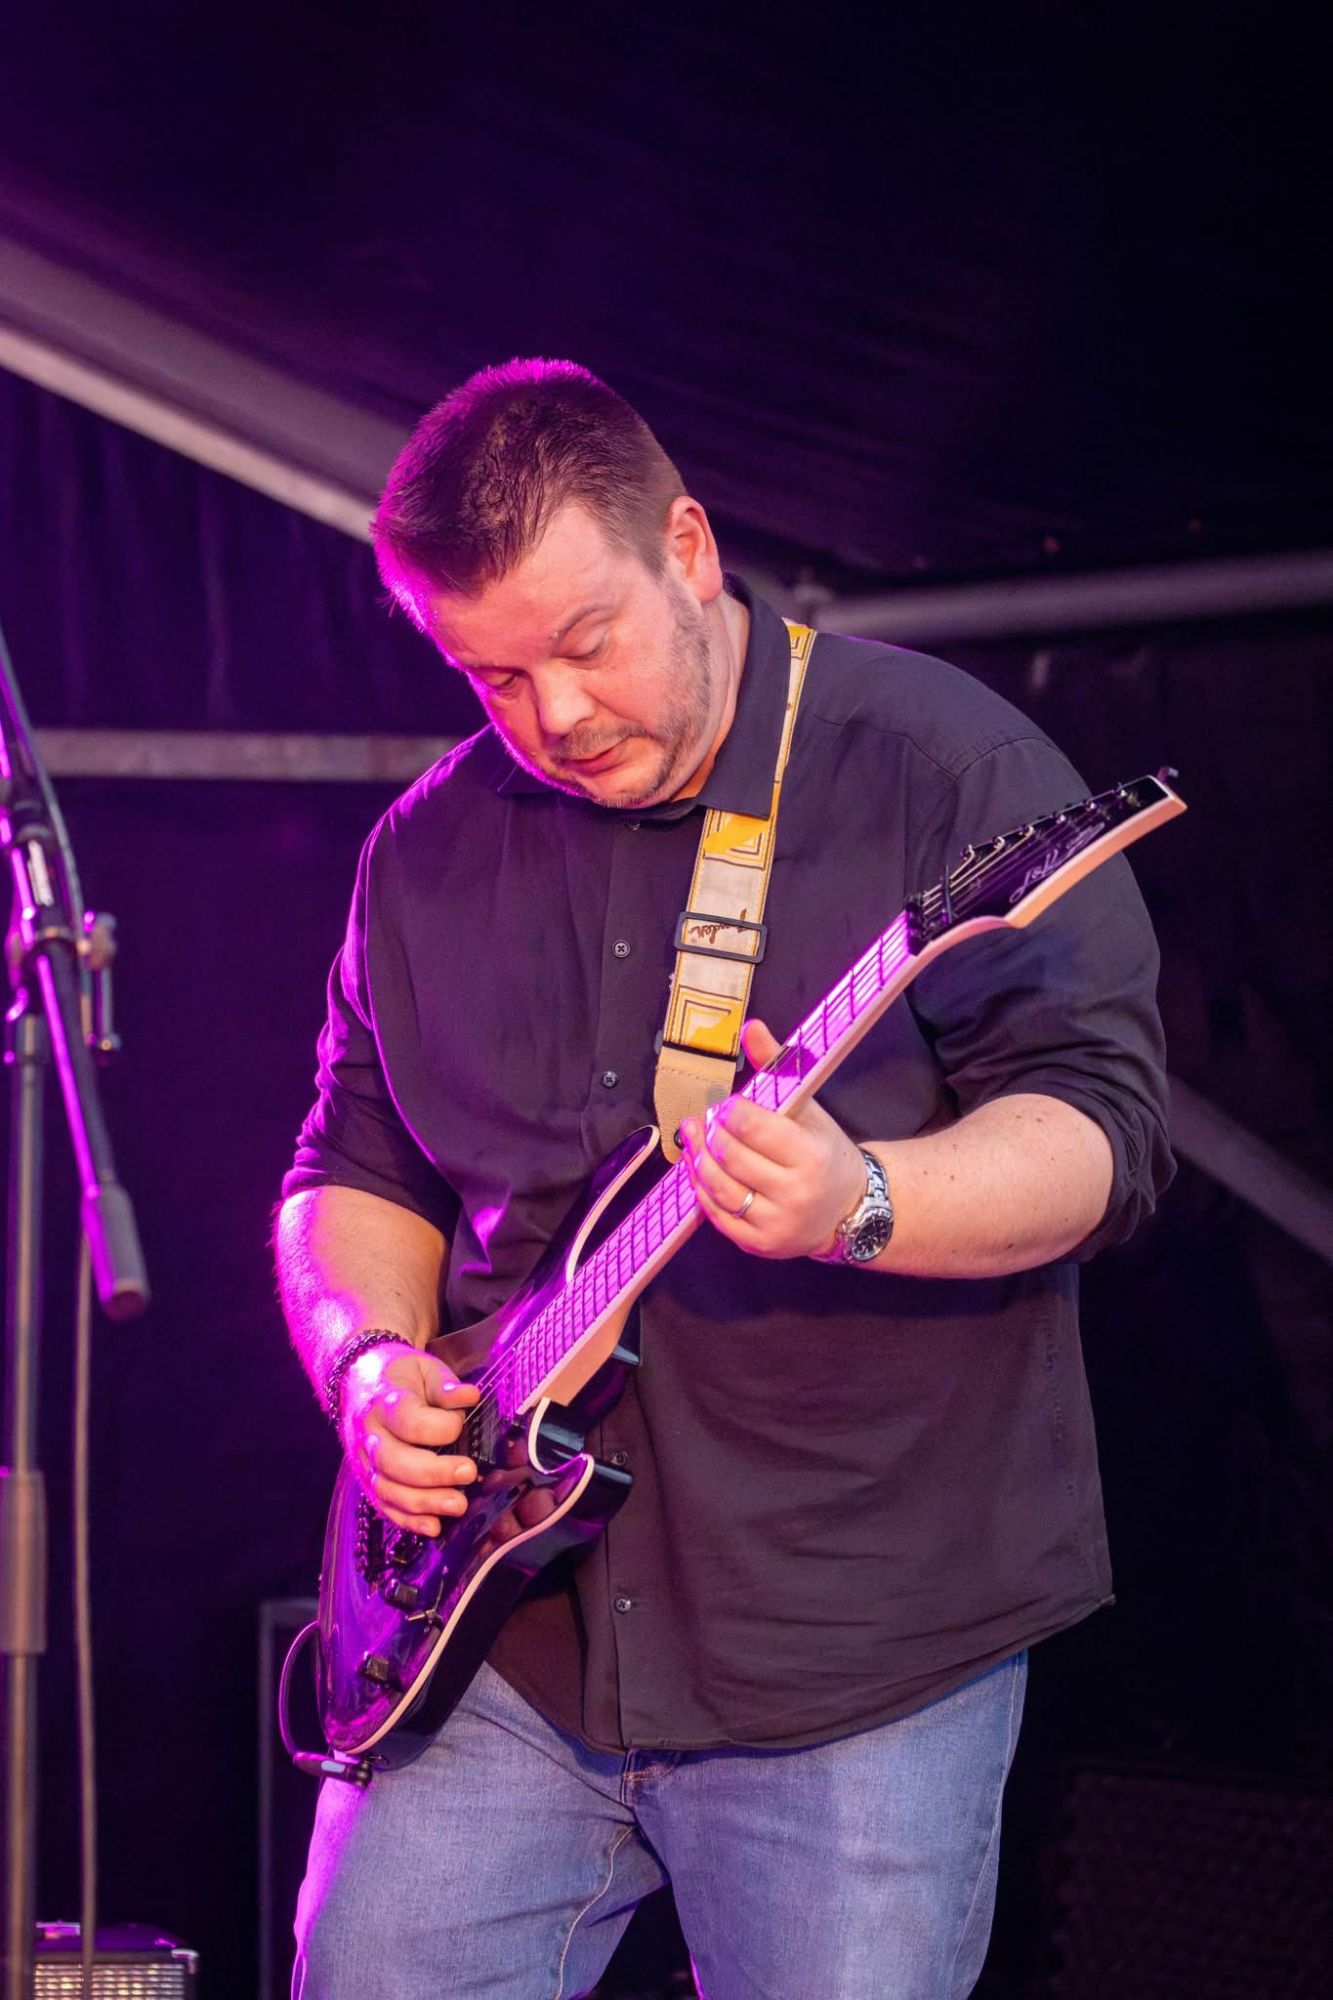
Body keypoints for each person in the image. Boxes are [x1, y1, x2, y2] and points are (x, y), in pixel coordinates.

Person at [276, 358, 1173, 1999]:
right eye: (492, 676)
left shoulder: (942, 769)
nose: (553, 717)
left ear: (686, 548)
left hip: (849, 1646)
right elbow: (353, 1158)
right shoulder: (423, 846)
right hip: (500, 1643)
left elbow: (1100, 1135)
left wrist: (864, 1202)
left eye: (586, 643)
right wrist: (366, 1364)